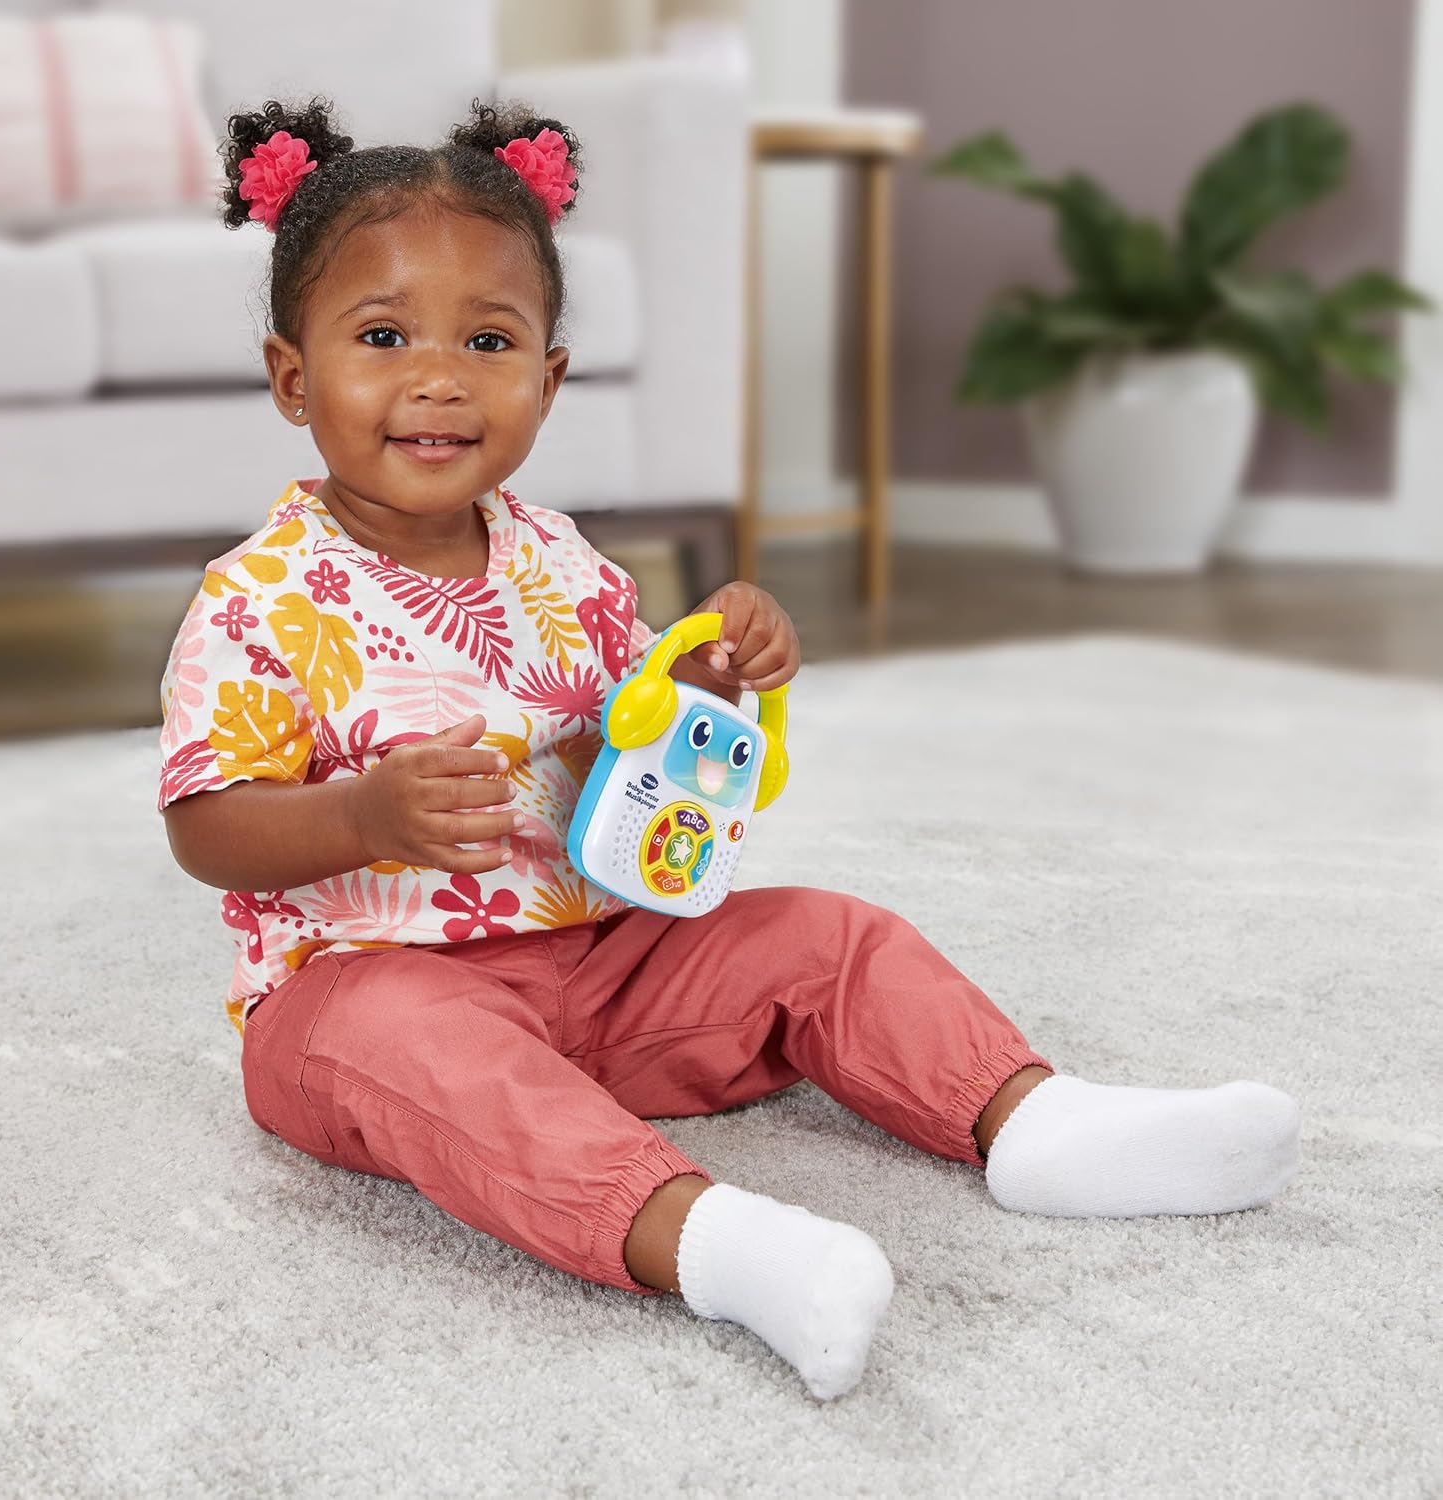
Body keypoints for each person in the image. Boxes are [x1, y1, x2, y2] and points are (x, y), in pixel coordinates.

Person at [158, 95, 1302, 1403]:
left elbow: (644, 723)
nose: (437, 377)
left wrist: (713, 670)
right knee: (429, 1057)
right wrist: (364, 816)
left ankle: (1036, 1122)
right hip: (363, 990)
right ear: (293, 375)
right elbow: (207, 824)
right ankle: (714, 1241)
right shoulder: (259, 598)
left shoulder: (559, 562)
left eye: (488, 338)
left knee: (830, 934)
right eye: (381, 338)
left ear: (549, 376)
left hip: (603, 961)